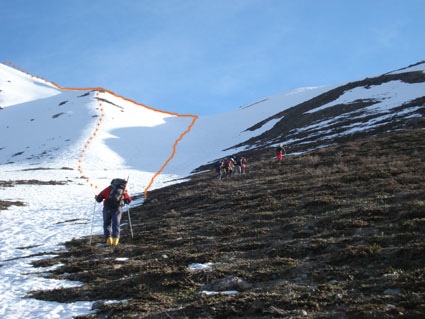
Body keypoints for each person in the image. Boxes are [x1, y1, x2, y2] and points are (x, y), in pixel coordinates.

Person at [95, 179, 132, 246]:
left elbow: (99, 199)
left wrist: (96, 197)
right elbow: (129, 200)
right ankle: (115, 240)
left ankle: (108, 240)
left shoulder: (109, 188)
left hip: (107, 207)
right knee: (116, 223)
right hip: (117, 208)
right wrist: (124, 200)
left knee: (107, 223)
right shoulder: (123, 190)